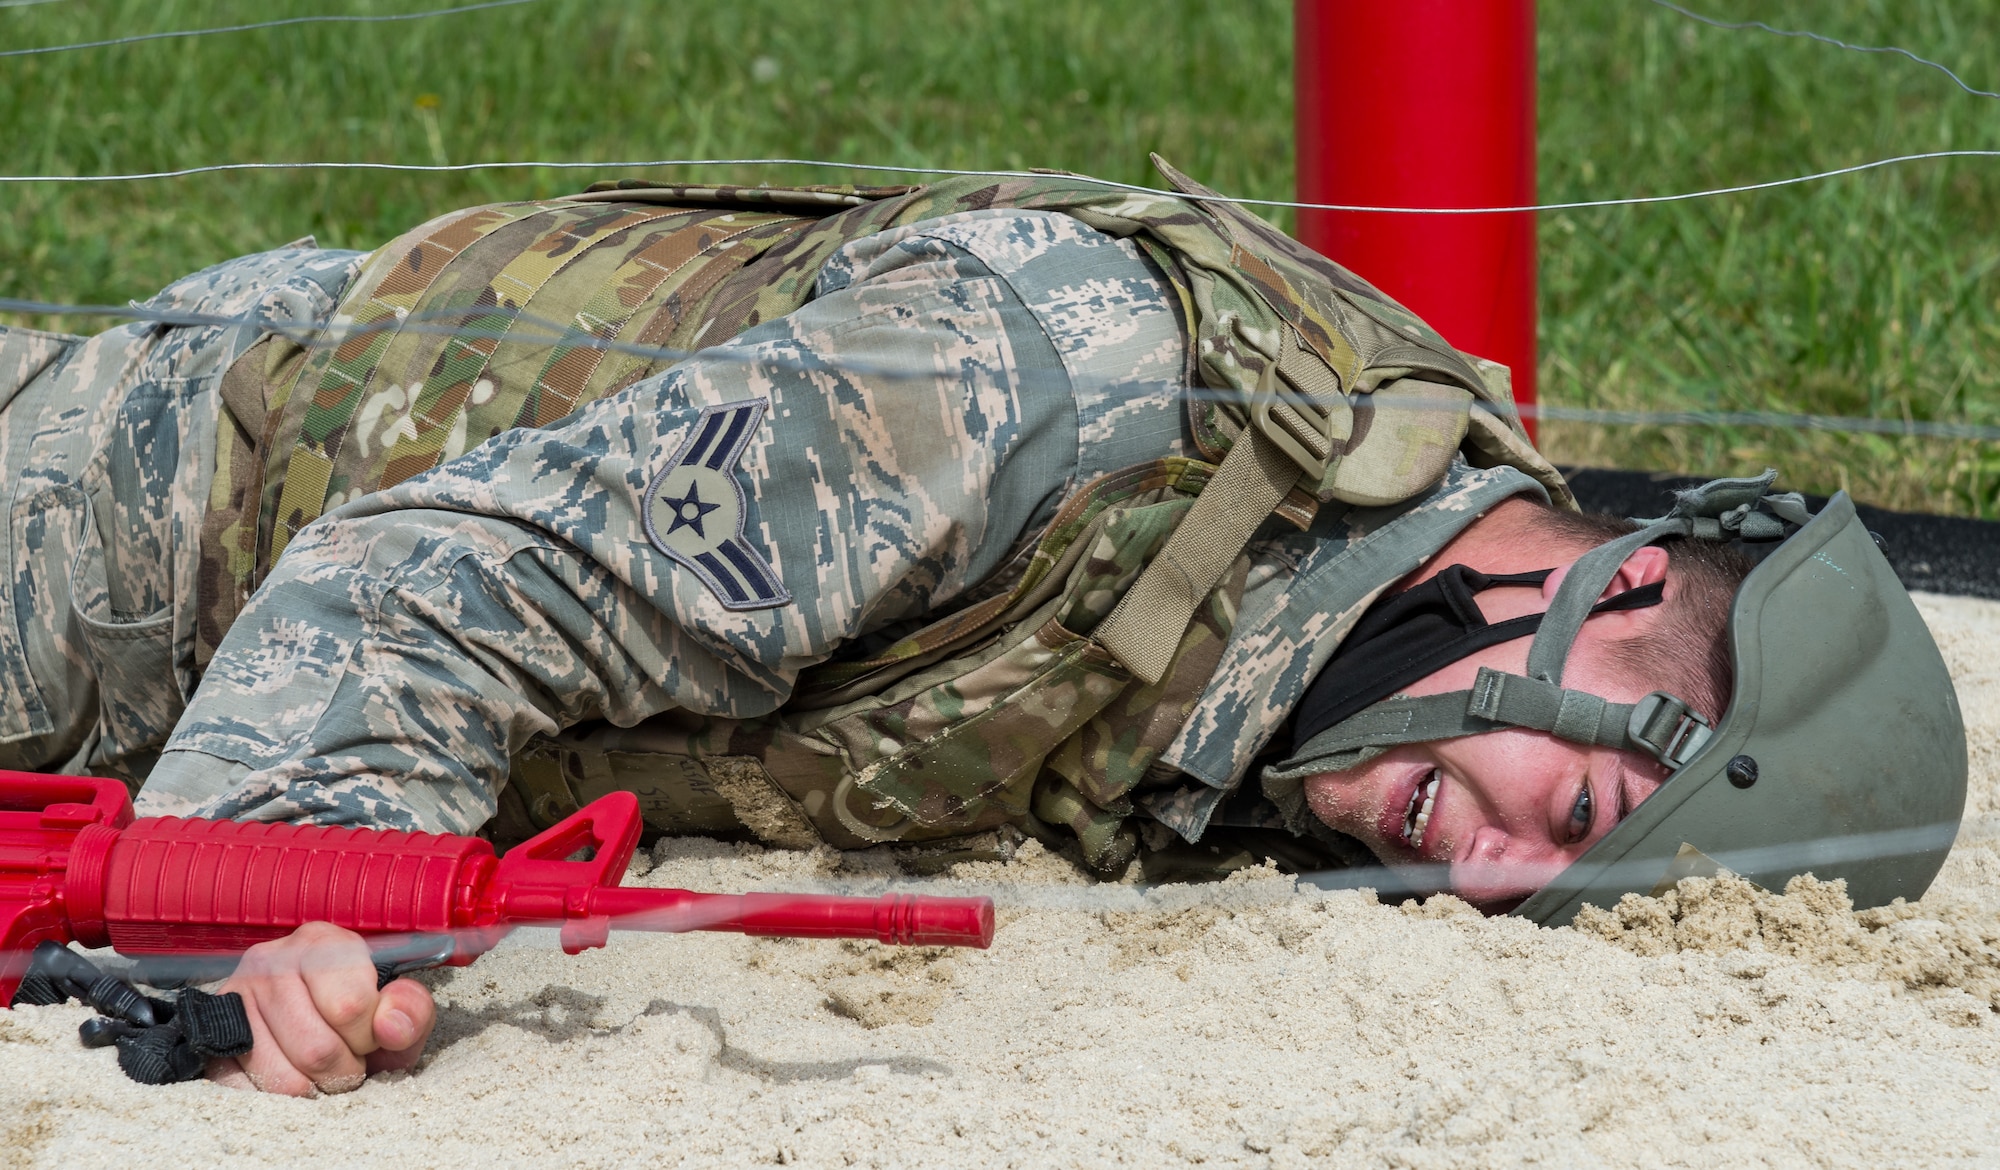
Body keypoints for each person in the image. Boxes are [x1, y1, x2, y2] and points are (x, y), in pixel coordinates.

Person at [1, 165, 1962, 1096]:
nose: (1496, 880)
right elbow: (409, 579)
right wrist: (275, 896)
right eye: (1578, 814)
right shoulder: (1048, 385)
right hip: (158, 518)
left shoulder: (1372, 632)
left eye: (1560, 900)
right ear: (1612, 589)